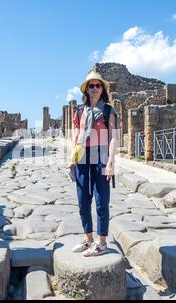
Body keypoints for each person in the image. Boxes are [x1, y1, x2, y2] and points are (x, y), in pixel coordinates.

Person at [66, 71, 118, 257]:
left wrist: (111, 161)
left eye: (98, 85)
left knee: (101, 200)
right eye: (91, 85)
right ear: (86, 89)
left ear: (102, 88)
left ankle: (101, 241)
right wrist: (72, 159)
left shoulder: (108, 111)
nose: (94, 88)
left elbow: (112, 137)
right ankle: (88, 239)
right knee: (83, 200)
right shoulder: (80, 111)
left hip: (101, 156)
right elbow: (76, 135)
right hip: (82, 157)